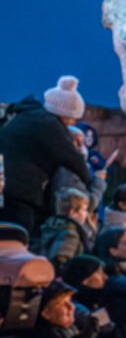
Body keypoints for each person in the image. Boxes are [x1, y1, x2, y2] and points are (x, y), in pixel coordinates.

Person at [0, 76, 90, 237]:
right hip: (20, 194)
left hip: (8, 189)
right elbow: (72, 158)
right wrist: (89, 185)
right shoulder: (48, 125)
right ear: (64, 113)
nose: (73, 124)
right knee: (19, 237)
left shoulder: (29, 116)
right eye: (72, 118)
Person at [39, 187, 94, 267]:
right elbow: (62, 260)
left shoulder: (48, 227)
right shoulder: (70, 234)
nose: (86, 214)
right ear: (72, 212)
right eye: (84, 209)